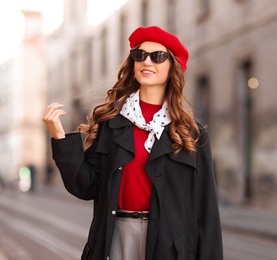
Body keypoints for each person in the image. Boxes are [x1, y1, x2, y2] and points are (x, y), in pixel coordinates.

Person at [43, 26, 223, 260]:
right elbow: (86, 186)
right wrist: (59, 137)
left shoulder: (191, 135)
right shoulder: (111, 124)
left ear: (172, 68)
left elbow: (206, 212)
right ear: (133, 64)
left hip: (170, 248)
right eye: (140, 55)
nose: (147, 62)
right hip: (116, 240)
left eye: (157, 56)